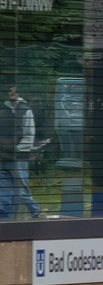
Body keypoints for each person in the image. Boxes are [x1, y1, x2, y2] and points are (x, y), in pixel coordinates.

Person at [2, 84, 47, 219]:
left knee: (21, 189)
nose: (12, 93)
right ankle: (4, 216)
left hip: (18, 157)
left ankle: (35, 211)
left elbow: (29, 134)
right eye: (10, 91)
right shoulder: (4, 110)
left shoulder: (25, 111)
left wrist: (18, 150)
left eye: (14, 91)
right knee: (4, 188)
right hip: (3, 156)